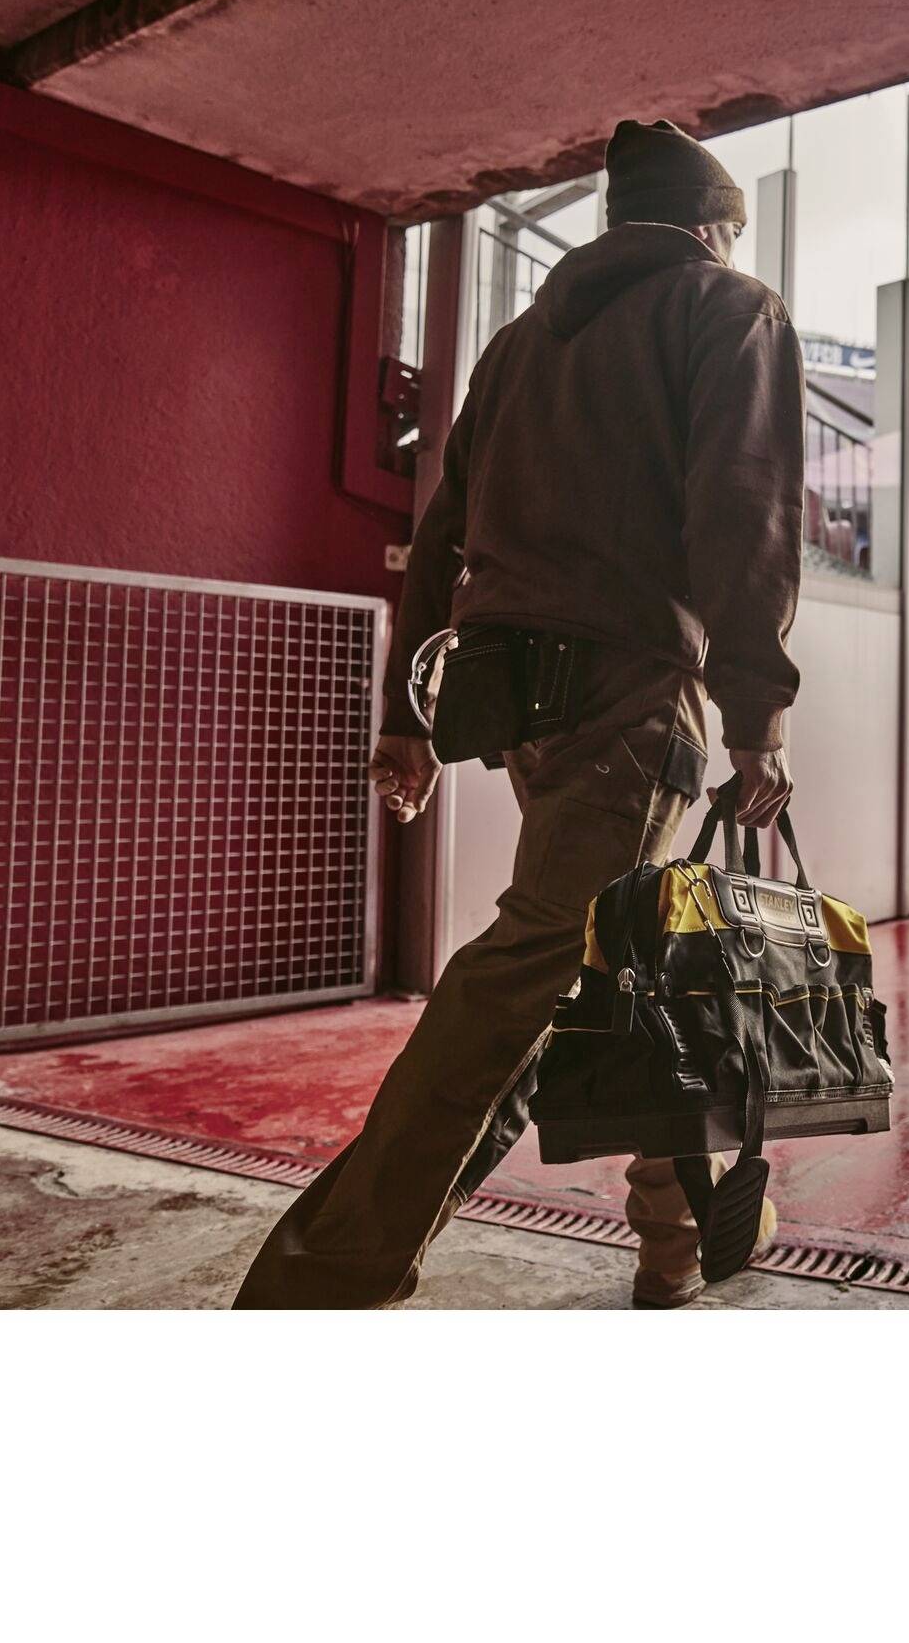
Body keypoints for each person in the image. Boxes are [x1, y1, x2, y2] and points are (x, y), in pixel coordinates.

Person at [234, 119, 804, 1309]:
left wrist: (409, 716)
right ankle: (322, 1280)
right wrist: (758, 716)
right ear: (711, 224)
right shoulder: (727, 307)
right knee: (528, 977)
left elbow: (440, 531)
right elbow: (743, 514)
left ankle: (673, 1243)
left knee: (637, 957)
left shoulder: (516, 342)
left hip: (523, 707)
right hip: (633, 698)